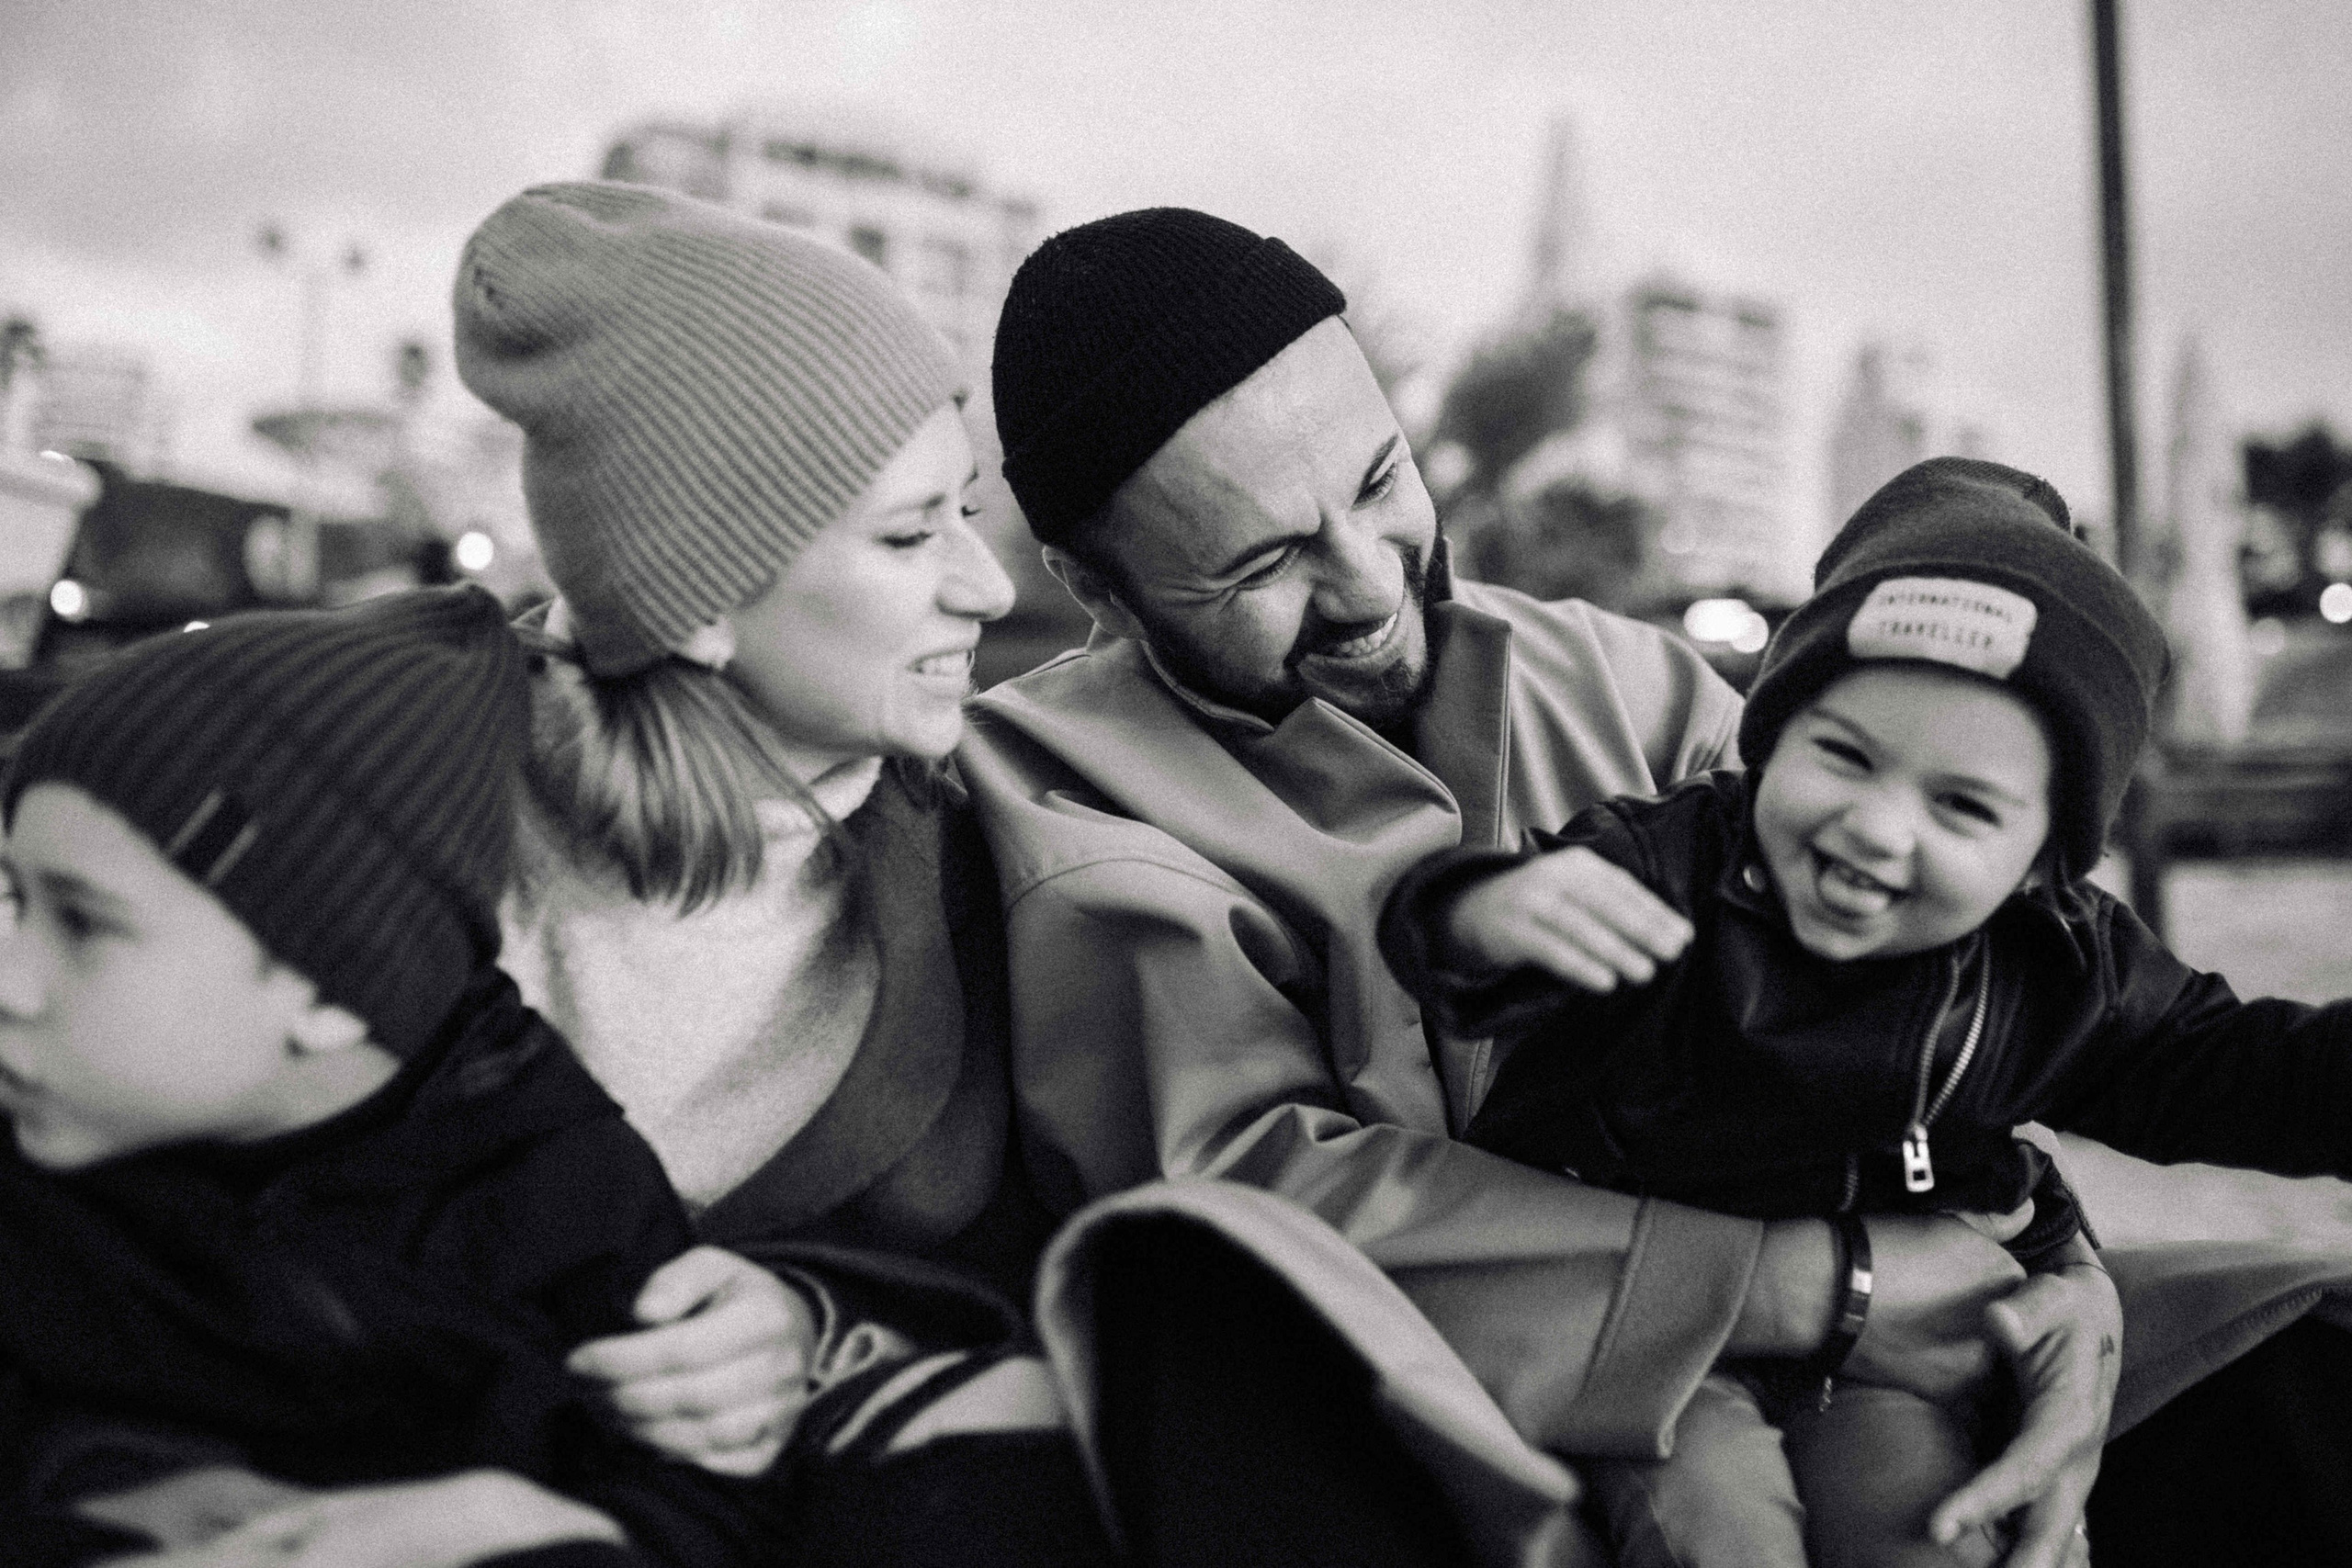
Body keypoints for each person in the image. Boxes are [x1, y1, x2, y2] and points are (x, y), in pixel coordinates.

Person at [957, 206, 2352, 1567]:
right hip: (1470, 1430)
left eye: (1381, 481)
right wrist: (1834, 1286)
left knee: (2310, 1358)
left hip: (1891, 1344)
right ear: (1097, 586)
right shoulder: (1060, 799)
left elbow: (1913, 987)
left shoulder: (1615, 673)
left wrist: (2066, 1287)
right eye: (1261, 562)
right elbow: (1260, 1212)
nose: (1371, 582)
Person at [1380, 455, 2352, 1565]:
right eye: (1843, 754)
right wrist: (1486, 916)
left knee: (1926, 1531)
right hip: (1652, 1326)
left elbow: (2233, 1071)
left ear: (2042, 862)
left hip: (1895, 1352)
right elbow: (1463, 945)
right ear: (1773, 736)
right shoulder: (1678, 862)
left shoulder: (2059, 964)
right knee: (1717, 1529)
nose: (1878, 828)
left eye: (1960, 806)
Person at [0, 587, 766, 1566]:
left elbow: (709, 1515)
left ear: (331, 991)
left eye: (84, 922)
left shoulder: (564, 1209)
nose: (11, 977)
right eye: (12, 896)